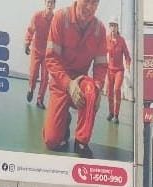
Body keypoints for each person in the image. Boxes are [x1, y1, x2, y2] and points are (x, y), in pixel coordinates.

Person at [43, 0, 108, 158]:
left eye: (95, 3)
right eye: (87, 2)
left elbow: (100, 65)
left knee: (92, 90)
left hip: (80, 81)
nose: (90, 7)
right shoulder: (60, 18)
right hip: (60, 82)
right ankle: (63, 121)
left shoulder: (99, 29)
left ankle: (81, 141)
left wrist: (98, 88)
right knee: (52, 142)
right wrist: (68, 83)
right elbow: (51, 58)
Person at [25, 0, 56, 110]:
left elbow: (58, 36)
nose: (50, 5)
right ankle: (31, 89)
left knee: (45, 77)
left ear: (54, 5)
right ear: (45, 3)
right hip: (36, 50)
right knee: (33, 73)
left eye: (52, 3)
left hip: (48, 53)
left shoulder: (55, 20)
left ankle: (40, 100)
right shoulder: (37, 16)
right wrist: (27, 43)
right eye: (48, 2)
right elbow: (30, 30)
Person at [105, 16, 131, 124]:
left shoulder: (121, 40)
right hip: (109, 70)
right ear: (109, 27)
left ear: (117, 27)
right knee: (109, 92)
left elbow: (127, 56)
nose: (113, 28)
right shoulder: (107, 39)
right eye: (111, 25)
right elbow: (101, 52)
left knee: (116, 90)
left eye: (114, 26)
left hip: (119, 70)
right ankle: (111, 112)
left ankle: (116, 115)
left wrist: (128, 67)